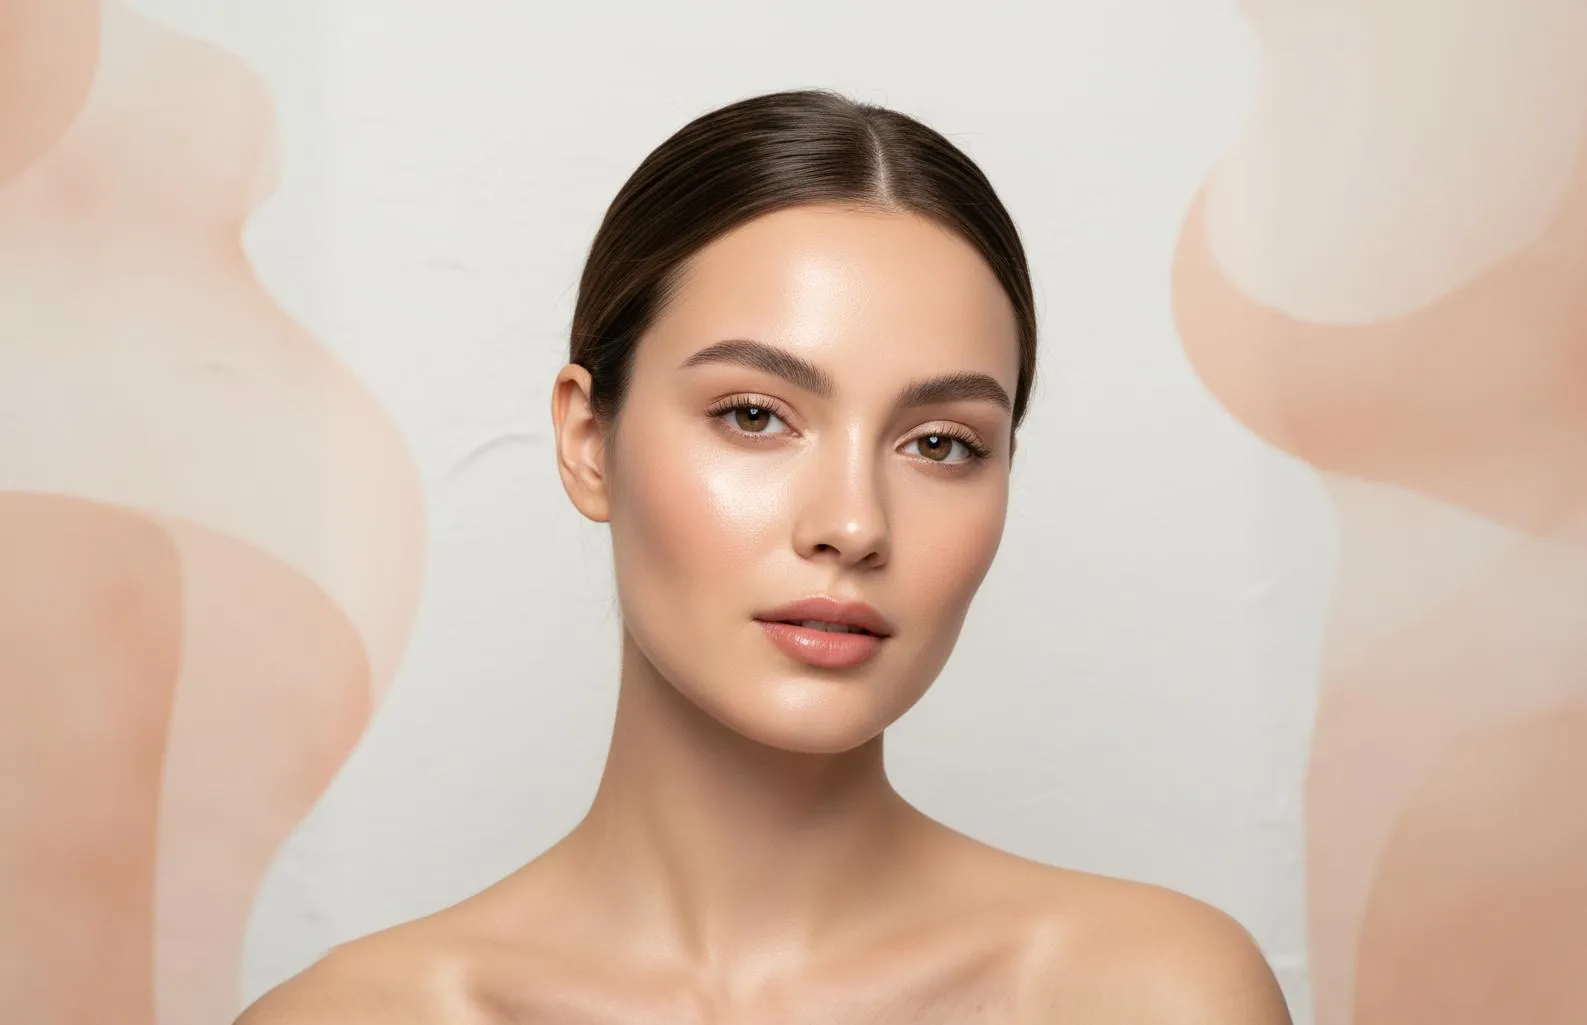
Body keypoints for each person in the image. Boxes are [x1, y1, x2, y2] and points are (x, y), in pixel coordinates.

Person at [237, 88, 1292, 1024]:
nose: (853, 522)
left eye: (941, 443)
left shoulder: (1157, 993)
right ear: (587, 440)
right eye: (754, 415)